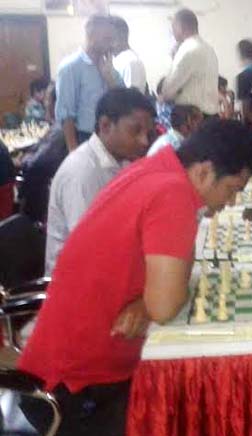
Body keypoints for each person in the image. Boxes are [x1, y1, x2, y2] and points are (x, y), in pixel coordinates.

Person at [18, 119, 252, 436]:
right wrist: (153, 300)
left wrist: (146, 302)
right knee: (194, 420)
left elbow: (173, 281)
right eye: (233, 189)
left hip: (58, 366)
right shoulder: (173, 193)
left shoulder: (155, 168)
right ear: (205, 172)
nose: (231, 202)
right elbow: (166, 304)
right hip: (76, 392)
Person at [45, 88, 155, 275]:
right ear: (105, 126)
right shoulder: (82, 172)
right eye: (136, 131)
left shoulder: (124, 160)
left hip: (107, 264)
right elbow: (89, 251)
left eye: (148, 132)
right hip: (75, 282)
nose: (144, 141)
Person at [56, 14, 124, 151]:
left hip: (109, 136)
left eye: (112, 39)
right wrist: (73, 151)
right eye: (107, 39)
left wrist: (109, 78)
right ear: (91, 35)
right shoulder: (70, 67)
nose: (111, 44)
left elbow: (124, 101)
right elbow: (66, 115)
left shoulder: (109, 67)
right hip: (85, 138)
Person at [18, 83, 68, 223]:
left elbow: (37, 163)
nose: (45, 104)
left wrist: (24, 160)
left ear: (57, 104)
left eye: (47, 99)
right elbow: (41, 146)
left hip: (41, 193)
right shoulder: (57, 126)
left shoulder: (60, 130)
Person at [160, 8, 219, 117]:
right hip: (210, 114)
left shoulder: (187, 49)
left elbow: (168, 90)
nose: (172, 32)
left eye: (173, 27)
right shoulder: (209, 49)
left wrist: (172, 59)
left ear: (180, 27)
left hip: (192, 118)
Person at [111, 16, 148, 94]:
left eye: (107, 37)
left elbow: (132, 99)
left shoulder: (131, 62)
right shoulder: (116, 59)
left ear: (119, 37)